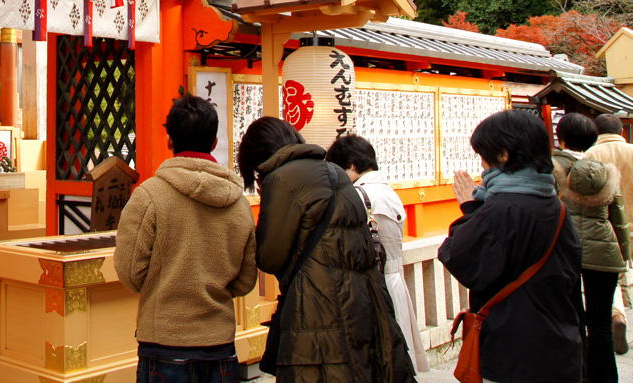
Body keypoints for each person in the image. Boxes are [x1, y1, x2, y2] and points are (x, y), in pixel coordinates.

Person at [237, 117, 415, 383]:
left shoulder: (281, 179)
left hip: (317, 313)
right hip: (363, 305)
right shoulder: (335, 173)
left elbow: (269, 257)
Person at [114, 95, 257, 383]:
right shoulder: (238, 203)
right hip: (220, 345)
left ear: (170, 140)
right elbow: (245, 280)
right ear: (214, 142)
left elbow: (130, 272)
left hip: (164, 341)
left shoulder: (149, 196)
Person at [439, 109, 583, 383]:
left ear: (503, 155)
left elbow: (462, 259)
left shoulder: (501, 208)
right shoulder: (556, 205)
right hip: (561, 343)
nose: (482, 166)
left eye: (483, 156)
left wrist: (470, 209)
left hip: (514, 349)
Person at [326, 134, 429, 373]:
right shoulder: (389, 192)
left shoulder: (359, 196)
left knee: (376, 359)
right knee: (395, 360)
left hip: (372, 285)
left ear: (352, 166)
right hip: (394, 280)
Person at [553, 112, 629, 383]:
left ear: (560, 138)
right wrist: (625, 255)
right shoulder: (605, 171)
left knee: (573, 320)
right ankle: (606, 378)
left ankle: (580, 375)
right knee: (601, 324)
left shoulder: (553, 169)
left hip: (566, 251)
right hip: (605, 250)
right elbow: (617, 216)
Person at [586, 112, 633, 353]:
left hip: (607, 226)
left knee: (611, 279)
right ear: (621, 131)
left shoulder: (591, 156)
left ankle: (618, 315)